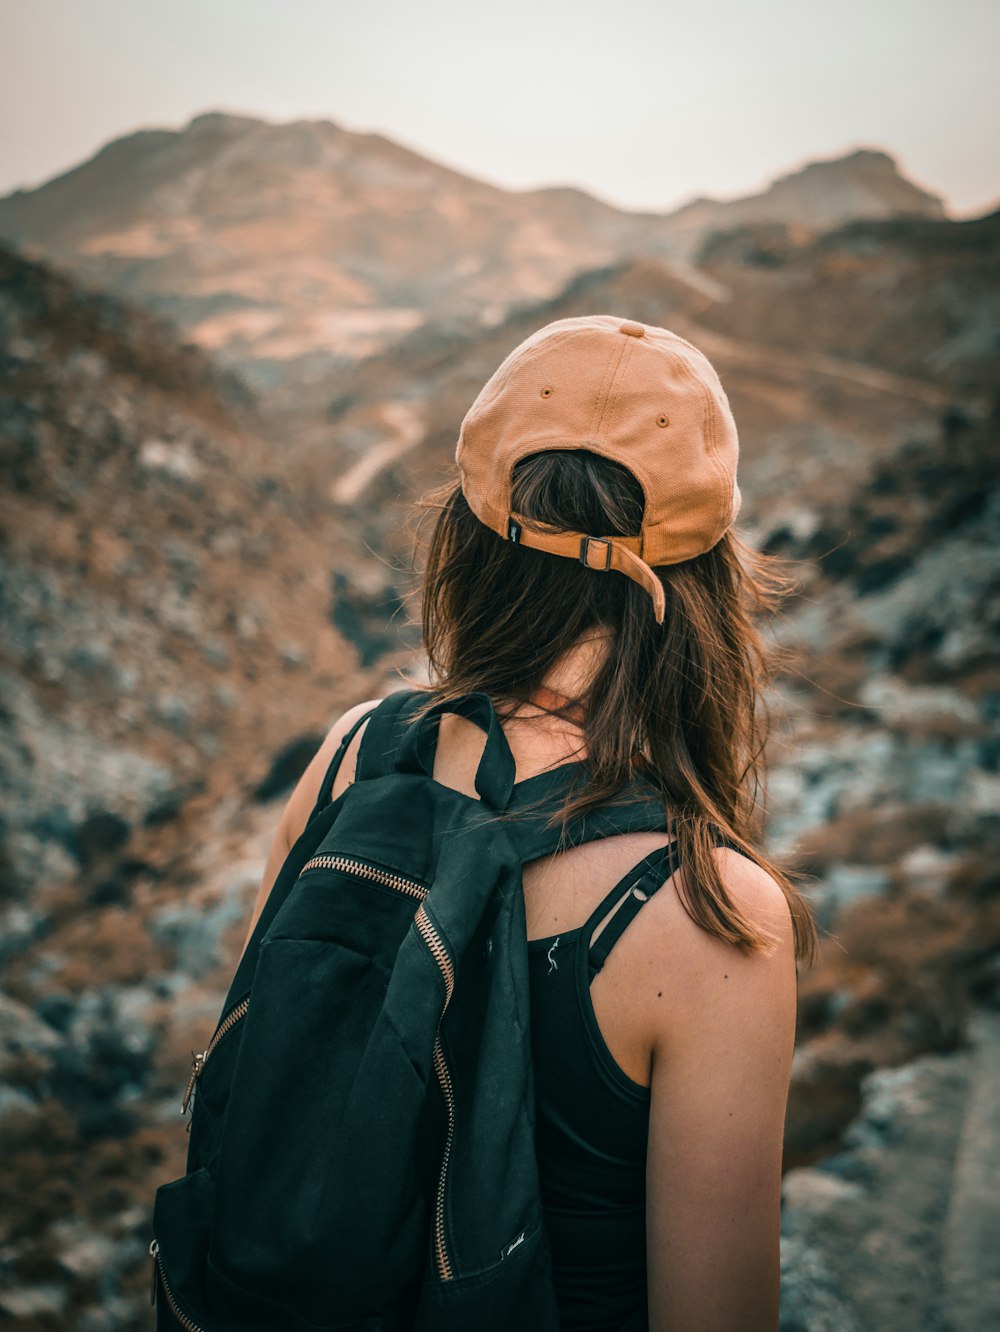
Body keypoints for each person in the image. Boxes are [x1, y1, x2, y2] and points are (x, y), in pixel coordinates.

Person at [240, 314, 819, 1331]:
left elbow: (256, 1087)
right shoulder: (711, 917)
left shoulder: (352, 758)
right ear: (703, 582)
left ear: (467, 533)